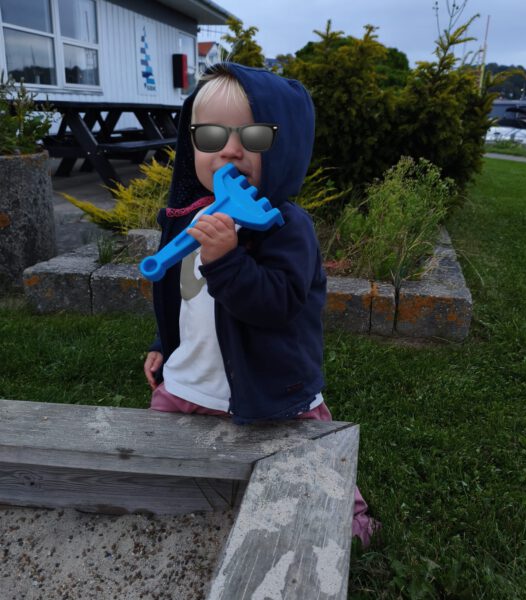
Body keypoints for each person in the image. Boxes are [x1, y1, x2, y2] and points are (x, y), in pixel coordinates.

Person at [143, 62, 378, 547]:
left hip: (270, 385)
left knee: (310, 455)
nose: (230, 149)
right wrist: (164, 343)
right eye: (211, 135)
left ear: (285, 145)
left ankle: (349, 516)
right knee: (156, 446)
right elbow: (185, 296)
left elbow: (278, 304)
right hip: (191, 380)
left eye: (253, 136)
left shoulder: (286, 228)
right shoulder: (191, 216)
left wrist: (227, 259)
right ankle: (184, 512)